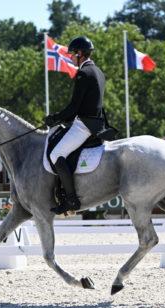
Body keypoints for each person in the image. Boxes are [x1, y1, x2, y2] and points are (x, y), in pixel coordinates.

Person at [45, 36, 106, 214]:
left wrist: (54, 118)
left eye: (72, 54)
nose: (70, 57)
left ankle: (71, 199)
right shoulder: (98, 72)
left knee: (56, 154)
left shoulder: (83, 73)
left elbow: (74, 107)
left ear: (80, 53)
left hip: (84, 125)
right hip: (96, 123)